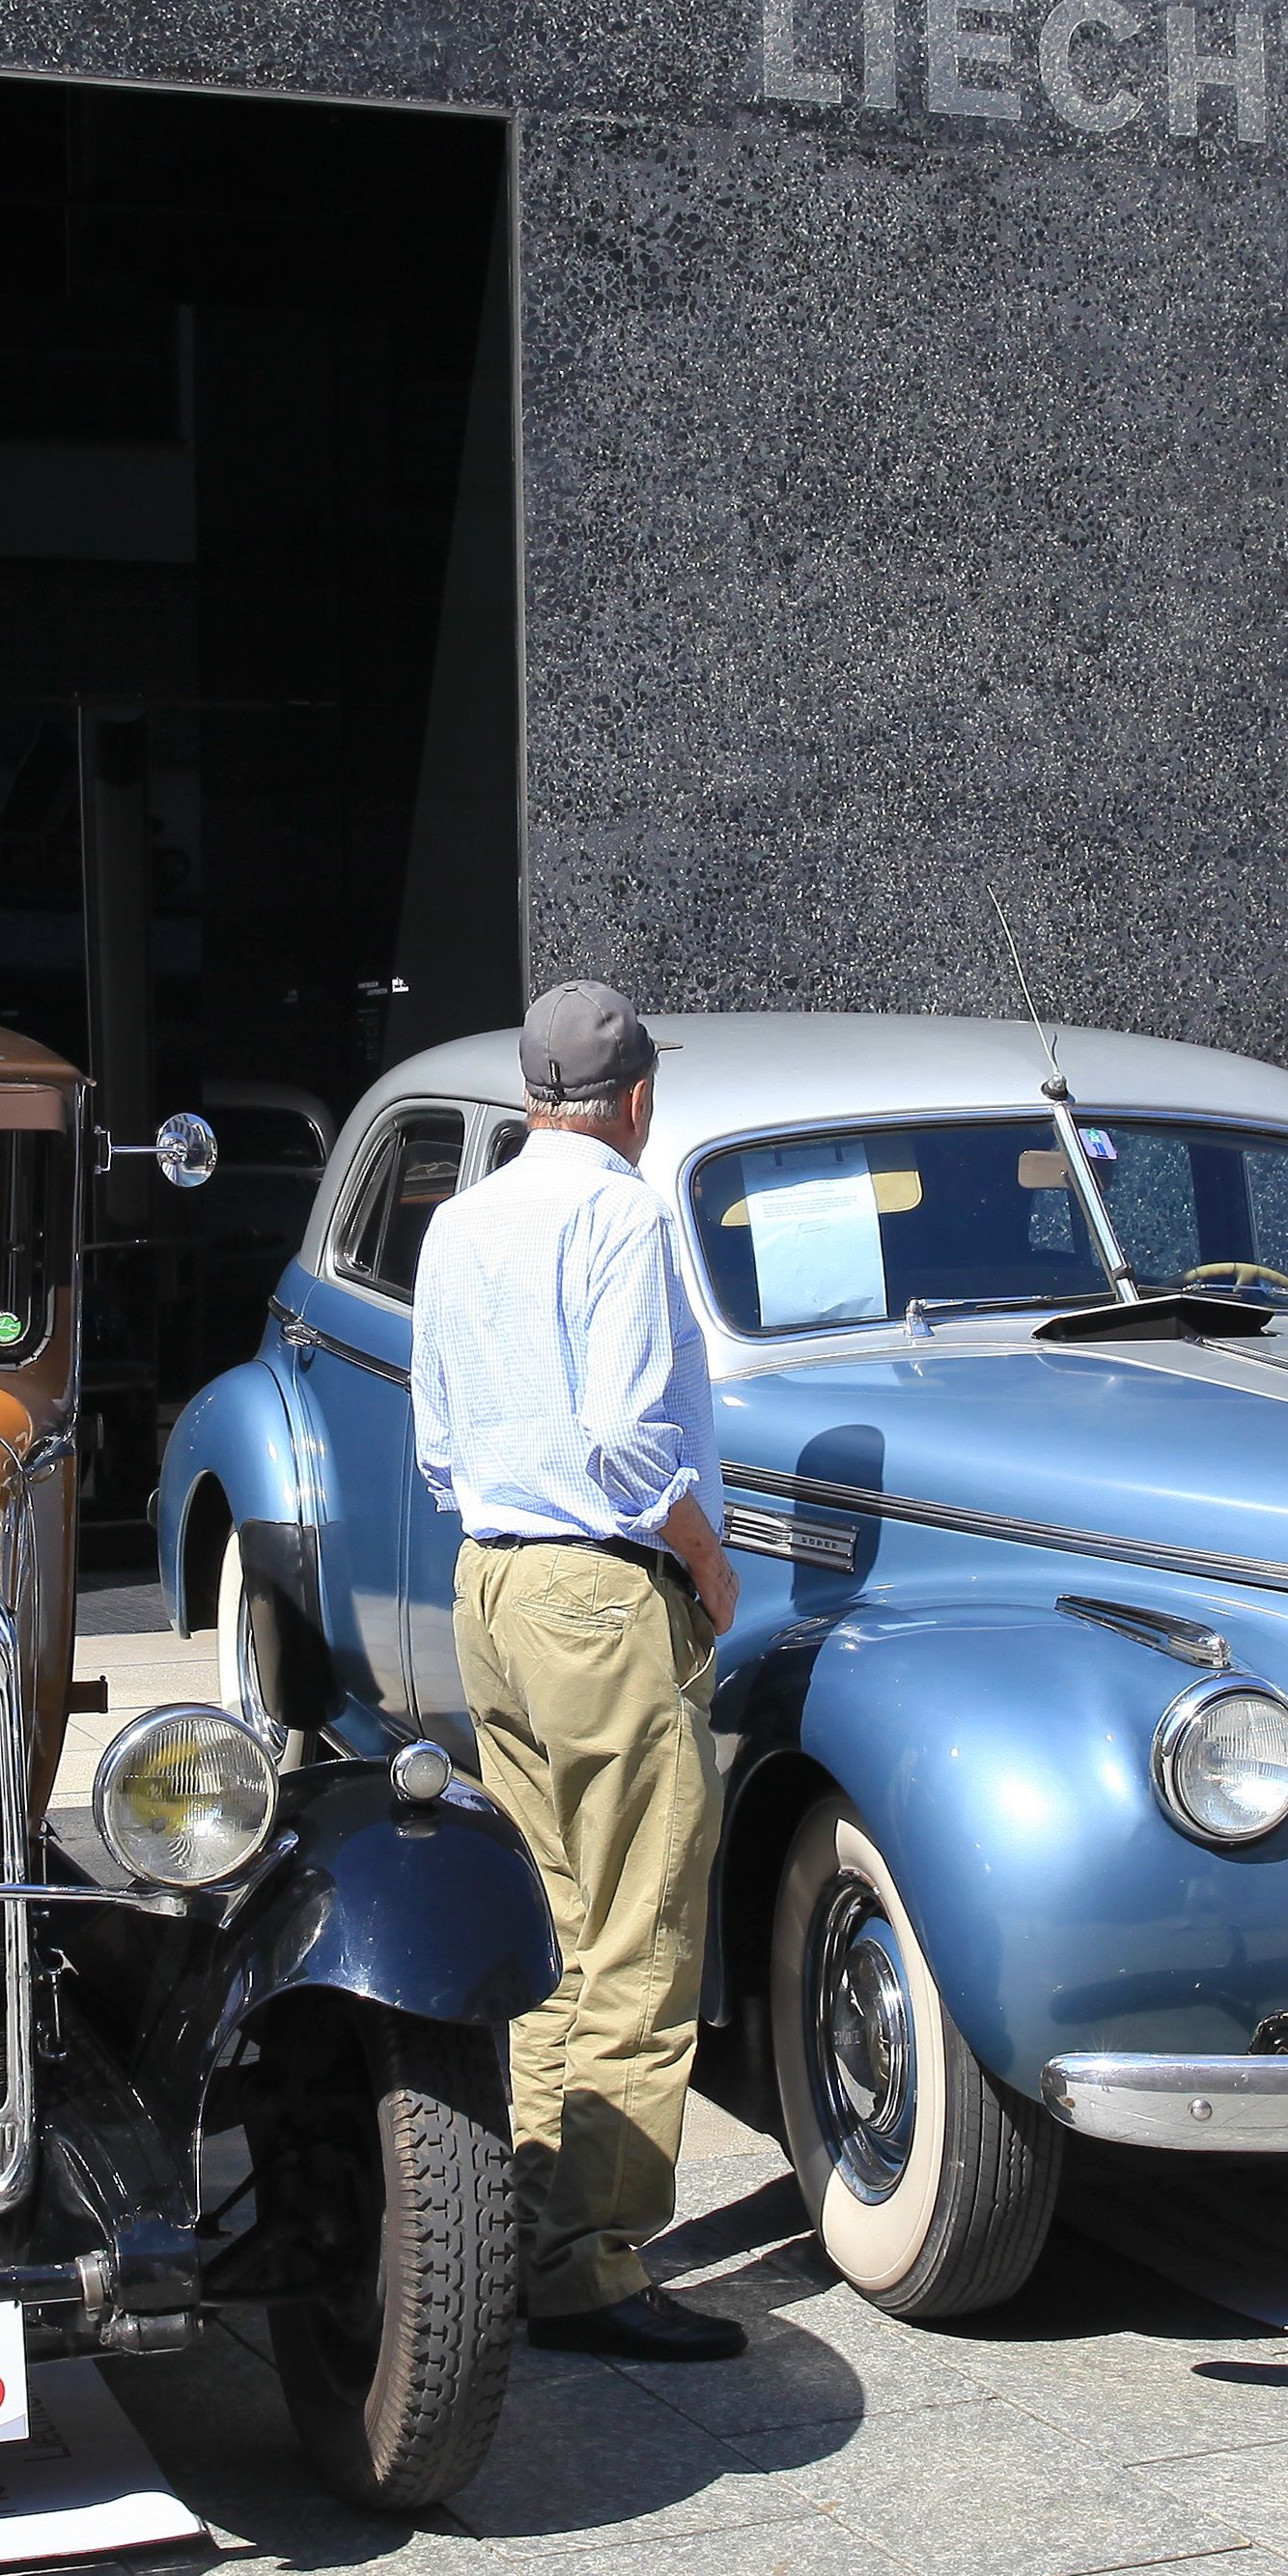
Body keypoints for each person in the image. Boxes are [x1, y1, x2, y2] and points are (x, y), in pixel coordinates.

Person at [408, 980, 745, 2364]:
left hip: (488, 1578)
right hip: (600, 1589)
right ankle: (589, 2263)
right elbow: (620, 1439)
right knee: (639, 1923)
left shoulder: (459, 1217)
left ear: (534, 1092)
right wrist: (704, 1560)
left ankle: (534, 2223)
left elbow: (437, 1440)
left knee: (553, 1916)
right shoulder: (619, 1211)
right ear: (638, 1100)